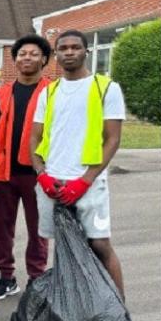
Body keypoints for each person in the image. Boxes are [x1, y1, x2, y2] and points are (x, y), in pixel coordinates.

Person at [30, 29, 126, 297]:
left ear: (86, 51)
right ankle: (72, 304)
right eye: (63, 48)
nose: (69, 52)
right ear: (56, 55)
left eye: (75, 47)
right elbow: (34, 138)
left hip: (88, 182)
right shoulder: (48, 93)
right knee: (64, 245)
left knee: (100, 244)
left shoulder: (106, 87)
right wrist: (42, 175)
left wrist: (85, 180)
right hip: (53, 182)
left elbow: (113, 140)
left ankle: (120, 311)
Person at [0, 34, 51, 300]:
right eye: (22, 54)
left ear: (44, 59)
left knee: (39, 229)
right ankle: (6, 277)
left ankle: (37, 279)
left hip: (38, 173)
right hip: (5, 172)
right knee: (3, 228)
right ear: (14, 59)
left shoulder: (53, 92)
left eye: (33, 53)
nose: (27, 58)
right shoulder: (2, 92)